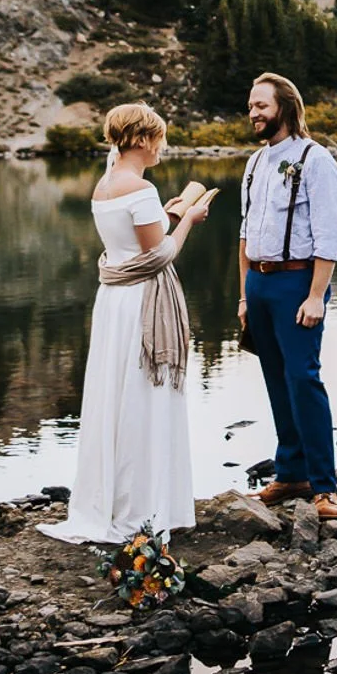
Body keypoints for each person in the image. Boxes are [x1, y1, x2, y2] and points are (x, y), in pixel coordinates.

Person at [39, 102, 215, 546]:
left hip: (113, 300)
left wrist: (167, 217)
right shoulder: (141, 188)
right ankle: (144, 507)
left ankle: (112, 501)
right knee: (142, 397)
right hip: (141, 303)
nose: (162, 147)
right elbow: (158, 256)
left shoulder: (104, 185)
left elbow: (131, 244)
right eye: (159, 138)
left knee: (115, 396)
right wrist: (189, 221)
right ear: (140, 139)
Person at [237, 72, 337, 518]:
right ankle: (290, 474)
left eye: (261, 105)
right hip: (259, 284)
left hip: (298, 282)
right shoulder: (254, 163)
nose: (253, 114)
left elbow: (328, 235)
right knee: (275, 379)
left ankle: (324, 485)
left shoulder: (315, 160)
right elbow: (244, 233)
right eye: (250, 106)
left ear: (285, 106)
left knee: (304, 379)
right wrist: (244, 294)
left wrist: (316, 295)